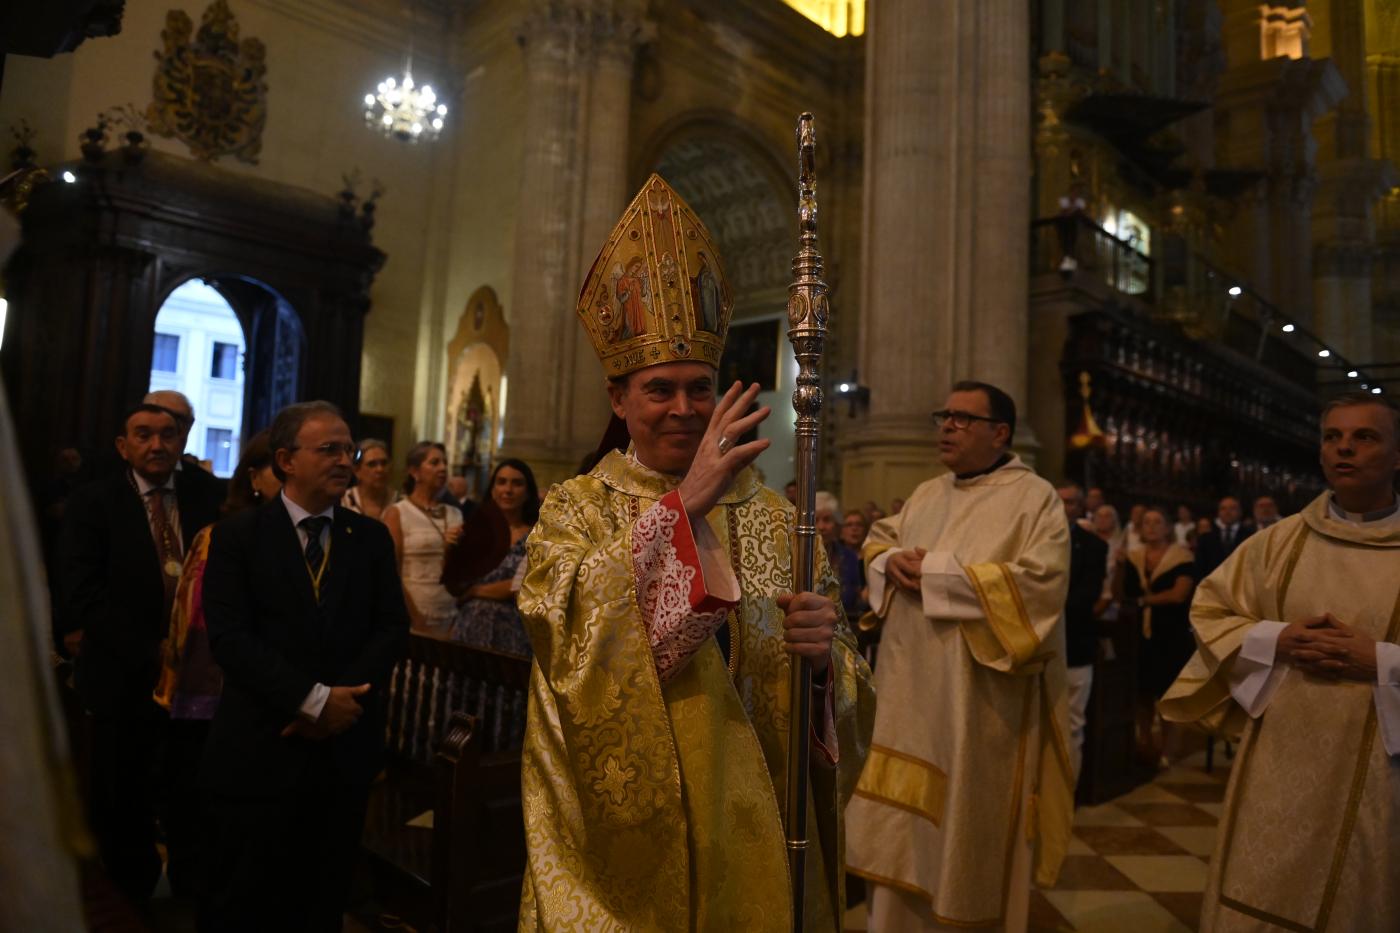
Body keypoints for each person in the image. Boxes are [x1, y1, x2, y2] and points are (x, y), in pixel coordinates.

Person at [516, 174, 874, 930]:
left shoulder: (781, 520)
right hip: (632, 853)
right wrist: (687, 504)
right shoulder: (575, 508)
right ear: (619, 399)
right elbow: (569, 645)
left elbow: (842, 673)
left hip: (760, 829)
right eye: (659, 390)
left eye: (699, 387)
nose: (684, 408)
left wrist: (824, 665)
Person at [1161, 392, 1400, 931]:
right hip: (1280, 757)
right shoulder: (1278, 543)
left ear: (1397, 455)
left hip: (1381, 773)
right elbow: (1210, 609)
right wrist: (1277, 641)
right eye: (1333, 437)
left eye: (1365, 437)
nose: (1345, 449)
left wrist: (1380, 660)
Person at [846, 380, 1072, 932]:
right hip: (909, 699)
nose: (947, 426)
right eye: (943, 415)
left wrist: (940, 573)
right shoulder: (927, 493)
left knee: (962, 843)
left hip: (977, 709)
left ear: (1000, 433)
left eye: (963, 418)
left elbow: (1041, 585)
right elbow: (879, 538)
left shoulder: (1034, 499)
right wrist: (891, 560)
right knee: (898, 843)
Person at [200, 401, 409, 933]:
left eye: (349, 450)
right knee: (244, 895)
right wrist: (312, 700)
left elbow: (390, 628)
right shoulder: (238, 536)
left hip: (343, 745)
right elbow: (230, 638)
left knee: (322, 895)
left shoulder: (369, 538)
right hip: (263, 740)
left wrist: (342, 701)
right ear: (286, 460)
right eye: (329, 449)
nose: (345, 460)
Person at [58, 403, 223, 906]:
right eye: (143, 435)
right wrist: (151, 651)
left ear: (181, 440)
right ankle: (132, 892)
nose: (157, 445)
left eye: (168, 435)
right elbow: (81, 595)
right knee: (122, 793)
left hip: (195, 678)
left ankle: (192, 892)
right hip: (123, 674)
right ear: (123, 446)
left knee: (188, 787)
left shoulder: (205, 495)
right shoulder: (94, 502)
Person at [151, 430, 279, 900]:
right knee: (200, 800)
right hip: (212, 696)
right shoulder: (219, 536)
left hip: (271, 698)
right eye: (275, 469)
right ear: (255, 477)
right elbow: (196, 622)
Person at [1119, 506, 1195, 766]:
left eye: (1157, 521)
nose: (1151, 526)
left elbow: (1179, 594)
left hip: (1170, 634)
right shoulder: (1133, 556)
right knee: (1142, 692)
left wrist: (1144, 600)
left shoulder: (1181, 556)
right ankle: (1144, 740)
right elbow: (1123, 594)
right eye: (1147, 522)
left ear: (1167, 527)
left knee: (1167, 695)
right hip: (1139, 634)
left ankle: (1168, 748)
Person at [449, 458, 540, 656]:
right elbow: (455, 584)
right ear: (492, 490)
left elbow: (525, 585)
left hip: (513, 633)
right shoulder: (474, 531)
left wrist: (475, 591)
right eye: (501, 482)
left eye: (517, 483)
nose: (508, 489)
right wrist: (449, 548)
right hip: (469, 628)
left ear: (528, 492)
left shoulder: (538, 537)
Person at [1056, 483, 1108, 781]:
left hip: (1075, 643)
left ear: (1080, 507)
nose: (1065, 508)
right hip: (1035, 646)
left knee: (1073, 723)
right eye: (1060, 502)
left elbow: (1087, 595)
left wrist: (1044, 609)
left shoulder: (1094, 546)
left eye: (1072, 503)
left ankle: (1066, 792)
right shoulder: (1032, 542)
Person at [385, 441, 463, 636]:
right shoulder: (398, 513)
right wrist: (415, 619)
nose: (443, 468)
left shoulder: (455, 513)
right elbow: (391, 572)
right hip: (415, 613)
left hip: (452, 613)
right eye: (434, 462)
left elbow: (463, 570)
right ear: (414, 471)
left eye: (445, 463)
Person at [144, 389, 230, 507]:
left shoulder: (211, 489)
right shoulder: (112, 482)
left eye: (179, 420)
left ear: (189, 426)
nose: (171, 424)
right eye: (161, 415)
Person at [817, 492, 866, 622]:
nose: (821, 527)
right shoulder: (798, 554)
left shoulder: (849, 556)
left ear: (837, 524)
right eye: (815, 520)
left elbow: (854, 596)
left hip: (843, 622)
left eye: (827, 520)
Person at [340, 438, 400, 520]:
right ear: (357, 471)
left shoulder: (399, 501)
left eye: (384, 463)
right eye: (372, 464)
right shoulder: (343, 501)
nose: (380, 469)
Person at [1194, 495, 1253, 577]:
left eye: (1232, 508)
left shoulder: (1251, 536)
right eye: (1223, 509)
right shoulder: (1206, 538)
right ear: (1218, 513)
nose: (1227, 512)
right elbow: (1200, 568)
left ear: (1240, 512)